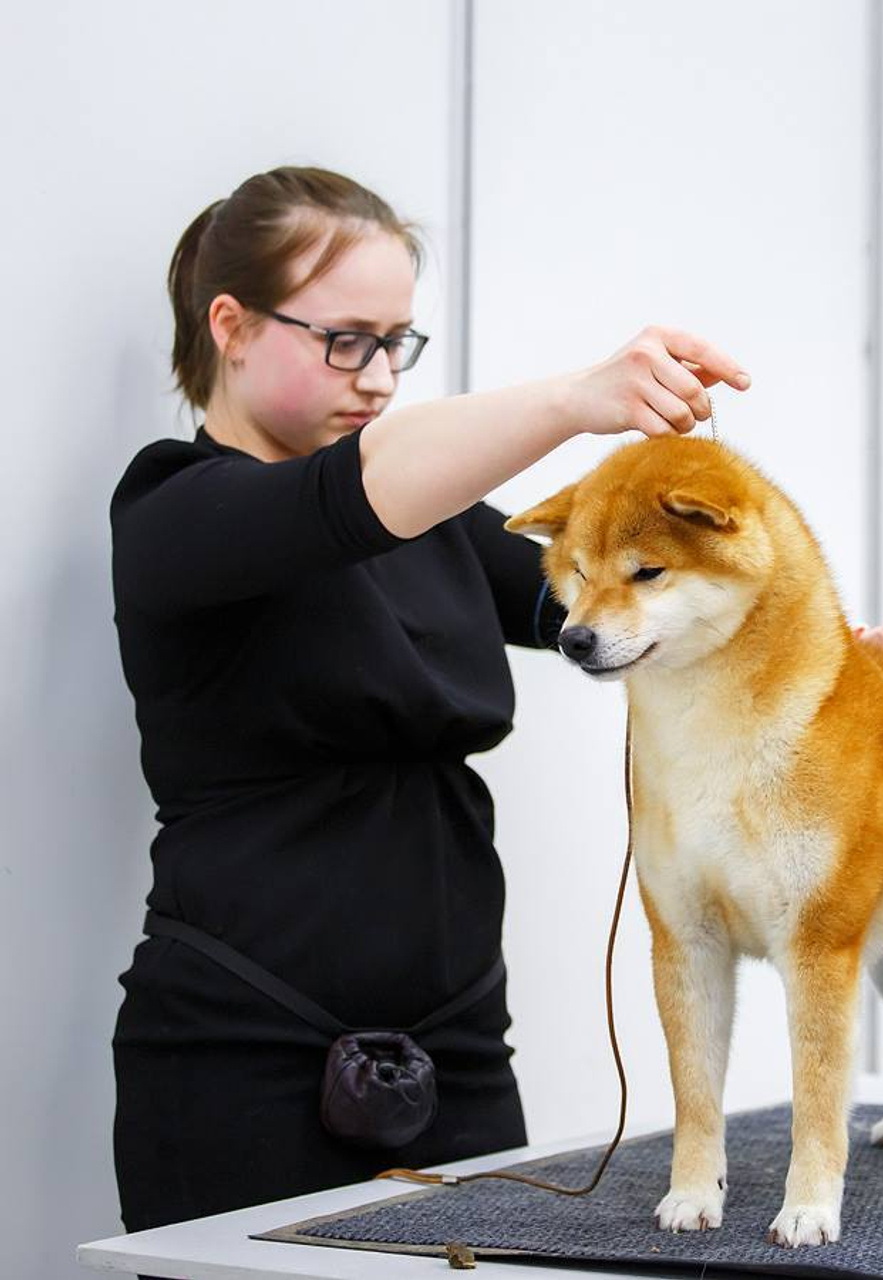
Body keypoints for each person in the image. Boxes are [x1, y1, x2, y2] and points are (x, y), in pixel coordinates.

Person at [109, 165, 753, 1236]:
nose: (374, 374)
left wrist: (815, 641)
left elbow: (627, 609)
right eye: (343, 338)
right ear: (229, 323)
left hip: (453, 1048)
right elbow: (351, 490)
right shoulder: (175, 509)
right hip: (240, 1054)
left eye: (395, 340)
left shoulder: (439, 524)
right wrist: (575, 400)